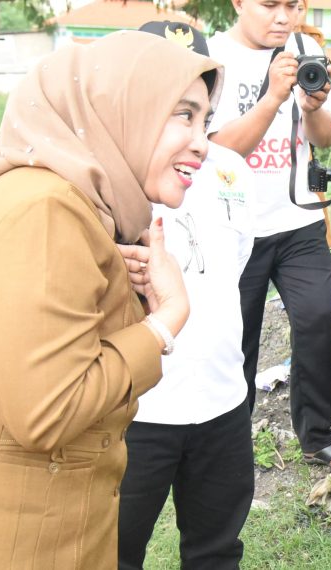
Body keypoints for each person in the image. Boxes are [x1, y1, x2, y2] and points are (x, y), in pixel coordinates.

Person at [0, 30, 221, 568]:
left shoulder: (80, 210)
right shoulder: (45, 210)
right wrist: (166, 320)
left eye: (206, 121)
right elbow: (49, 412)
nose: (202, 140)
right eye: (183, 114)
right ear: (118, 109)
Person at [117, 21, 256, 570]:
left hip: (222, 399)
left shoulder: (230, 170)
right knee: (114, 552)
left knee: (216, 551)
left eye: (197, 101)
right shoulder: (104, 178)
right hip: (136, 410)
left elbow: (235, 264)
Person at [207, 0, 331, 474]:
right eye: (269, 4)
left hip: (298, 218)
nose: (283, 16)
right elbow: (213, 151)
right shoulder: (212, 59)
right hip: (235, 227)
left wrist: (311, 105)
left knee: (318, 322)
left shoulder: (306, 50)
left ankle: (318, 435)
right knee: (237, 339)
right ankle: (228, 440)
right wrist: (274, 97)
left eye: (293, 4)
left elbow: (320, 140)